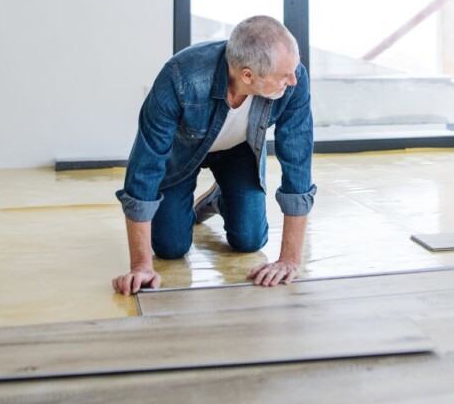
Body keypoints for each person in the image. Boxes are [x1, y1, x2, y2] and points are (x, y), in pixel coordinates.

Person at [112, 15, 316, 293]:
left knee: (250, 240)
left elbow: (298, 160)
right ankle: (190, 206)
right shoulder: (179, 78)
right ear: (247, 75)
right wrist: (141, 266)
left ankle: (220, 197)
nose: (293, 80)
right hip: (182, 155)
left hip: (238, 152)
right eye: (284, 76)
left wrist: (290, 260)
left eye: (293, 71)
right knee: (170, 248)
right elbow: (144, 167)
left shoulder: (294, 76)